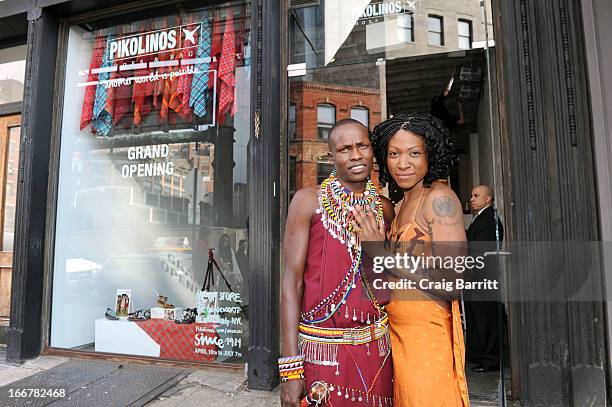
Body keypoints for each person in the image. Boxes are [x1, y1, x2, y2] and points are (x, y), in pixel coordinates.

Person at [353, 112, 469, 406]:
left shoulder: (440, 198)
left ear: (431, 154)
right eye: (394, 154)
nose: (402, 164)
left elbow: (453, 283)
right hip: (395, 338)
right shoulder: (401, 203)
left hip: (426, 342)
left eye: (414, 153)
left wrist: (382, 254)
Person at [280, 118, 395, 407]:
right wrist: (290, 369)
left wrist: (375, 249)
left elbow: (390, 286)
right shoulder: (308, 201)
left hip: (376, 352)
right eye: (345, 149)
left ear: (372, 151)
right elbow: (290, 283)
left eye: (362, 146)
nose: (356, 155)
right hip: (322, 352)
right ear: (330, 156)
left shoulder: (385, 209)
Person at [464, 185, 504, 373]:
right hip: (475, 278)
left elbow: (481, 251)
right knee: (476, 318)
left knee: (486, 319)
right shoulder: (481, 218)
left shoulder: (489, 221)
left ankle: (490, 360)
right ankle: (478, 354)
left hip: (482, 278)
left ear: (488, 199)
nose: (471, 198)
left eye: (476, 196)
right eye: (472, 195)